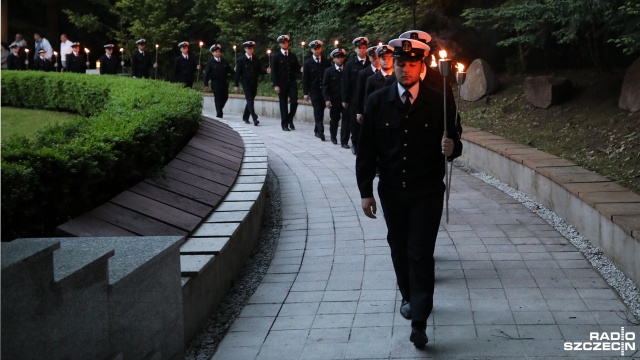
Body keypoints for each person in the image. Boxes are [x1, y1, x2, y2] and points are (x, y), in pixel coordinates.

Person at [356, 38, 462, 349]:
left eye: (412, 64)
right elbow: (366, 151)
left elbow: (455, 143)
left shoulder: (439, 99)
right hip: (392, 190)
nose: (405, 69)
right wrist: (366, 191)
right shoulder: (378, 101)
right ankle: (407, 295)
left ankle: (419, 319)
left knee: (419, 252)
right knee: (399, 248)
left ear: (422, 66)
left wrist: (452, 147)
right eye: (401, 64)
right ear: (394, 64)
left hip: (427, 190)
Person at [396, 30, 462, 135]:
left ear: (426, 52)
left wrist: (455, 133)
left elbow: (450, 109)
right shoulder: (392, 81)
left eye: (419, 48)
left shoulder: (440, 79)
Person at [341, 36, 370, 152]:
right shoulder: (349, 64)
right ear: (355, 50)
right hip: (353, 98)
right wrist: (344, 99)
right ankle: (355, 144)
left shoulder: (370, 63)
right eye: (359, 48)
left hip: (367, 97)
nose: (361, 50)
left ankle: (365, 144)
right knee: (354, 122)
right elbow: (345, 83)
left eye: (363, 48)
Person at [270, 35, 301, 131]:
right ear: (280, 44)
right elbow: (274, 72)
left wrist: (301, 70)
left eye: (286, 42)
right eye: (283, 42)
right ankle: (284, 124)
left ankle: (289, 119)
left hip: (292, 82)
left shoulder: (292, 55)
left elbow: (297, 69)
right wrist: (275, 84)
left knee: (294, 102)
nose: (285, 44)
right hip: (281, 83)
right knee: (283, 104)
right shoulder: (276, 56)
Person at [303, 40, 329, 140]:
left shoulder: (325, 61)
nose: (317, 50)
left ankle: (316, 129)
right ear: (311, 50)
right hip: (314, 90)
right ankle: (321, 130)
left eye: (318, 48)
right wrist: (306, 93)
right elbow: (305, 79)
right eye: (315, 49)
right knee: (317, 110)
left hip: (324, 90)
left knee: (321, 110)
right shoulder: (308, 63)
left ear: (320, 49)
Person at [234, 41, 264, 126]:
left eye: (252, 48)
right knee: (250, 99)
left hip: (253, 82)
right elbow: (238, 73)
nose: (251, 50)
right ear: (245, 49)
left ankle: (245, 117)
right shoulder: (241, 60)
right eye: (249, 48)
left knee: (250, 100)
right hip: (245, 82)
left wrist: (266, 71)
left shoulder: (256, 59)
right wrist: (236, 84)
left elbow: (260, 70)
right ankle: (254, 118)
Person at [354, 46, 381, 135]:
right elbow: (359, 93)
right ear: (369, 58)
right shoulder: (363, 73)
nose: (376, 60)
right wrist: (359, 111)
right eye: (374, 58)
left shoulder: (389, 73)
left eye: (378, 58)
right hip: (368, 107)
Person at [322, 48, 347, 145]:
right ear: (333, 59)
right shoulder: (329, 71)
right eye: (337, 58)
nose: (339, 59)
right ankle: (333, 136)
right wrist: (327, 99)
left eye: (341, 57)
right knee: (335, 119)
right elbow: (325, 86)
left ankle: (344, 140)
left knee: (346, 120)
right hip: (334, 99)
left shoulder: (347, 69)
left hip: (345, 99)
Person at [203, 43, 234, 118]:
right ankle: (219, 113)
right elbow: (206, 73)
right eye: (216, 52)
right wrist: (206, 84)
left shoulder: (224, 61)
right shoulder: (210, 62)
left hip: (224, 83)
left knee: (225, 97)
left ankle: (219, 108)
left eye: (219, 51)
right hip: (215, 83)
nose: (218, 53)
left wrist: (235, 71)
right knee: (217, 98)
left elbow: (230, 70)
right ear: (213, 53)